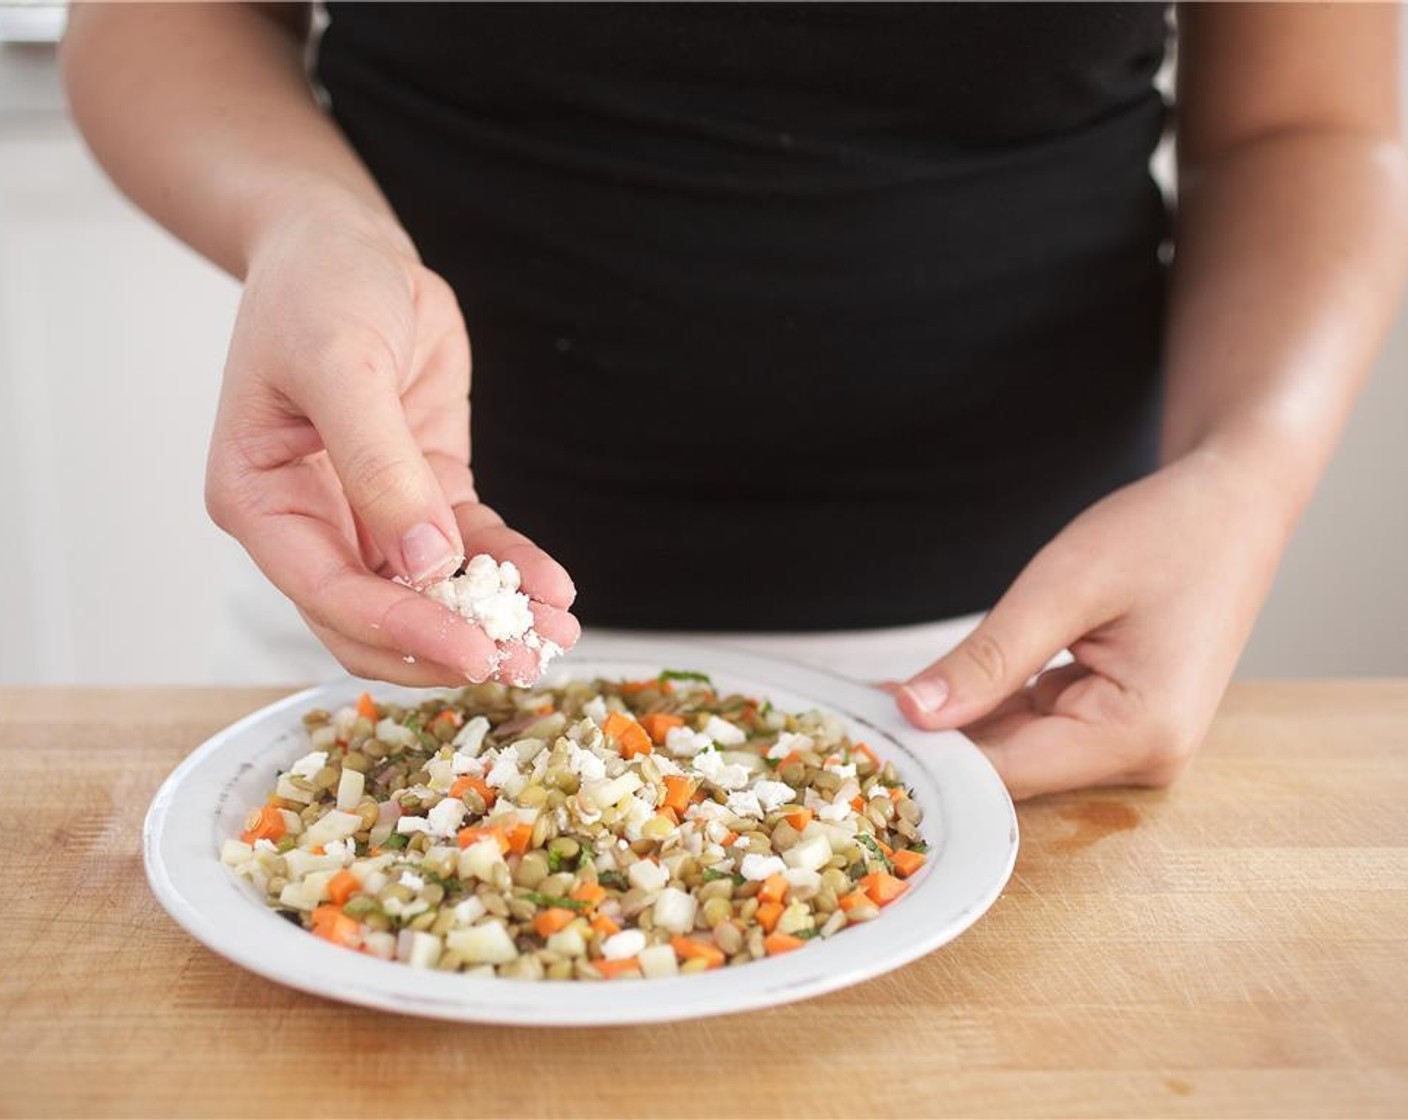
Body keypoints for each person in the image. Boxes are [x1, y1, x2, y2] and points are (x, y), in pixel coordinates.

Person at [63, 4, 1408, 799]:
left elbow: (1308, 122)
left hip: (1026, 665)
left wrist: (1250, 476)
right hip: (393, 622)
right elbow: (160, 19)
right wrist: (303, 222)